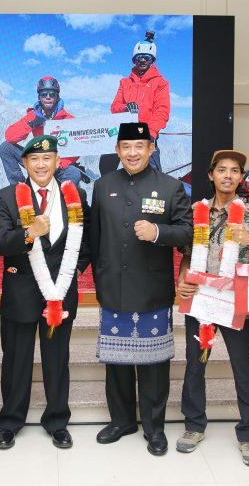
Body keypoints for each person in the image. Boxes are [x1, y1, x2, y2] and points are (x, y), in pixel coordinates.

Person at [91, 122, 192, 456]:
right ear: (117, 150)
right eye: (126, 147)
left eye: (139, 146)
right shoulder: (103, 186)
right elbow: (95, 236)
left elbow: (187, 232)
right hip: (113, 285)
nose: (132, 153)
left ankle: (154, 427)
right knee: (117, 362)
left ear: (151, 148)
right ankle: (121, 421)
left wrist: (158, 232)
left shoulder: (171, 187)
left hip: (152, 289)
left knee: (154, 365)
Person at [0, 135, 91, 450]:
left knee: (57, 361)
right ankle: (10, 423)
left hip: (60, 293)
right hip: (21, 293)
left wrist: (75, 269)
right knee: (16, 362)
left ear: (57, 162)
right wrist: (28, 233)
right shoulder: (8, 196)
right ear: (24, 163)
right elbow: (0, 243)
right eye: (34, 159)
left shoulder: (75, 195)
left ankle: (57, 422)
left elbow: (89, 238)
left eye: (47, 158)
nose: (41, 164)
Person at [175, 150, 249, 464]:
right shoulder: (196, 211)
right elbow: (187, 254)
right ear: (211, 175)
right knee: (195, 364)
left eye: (234, 171)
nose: (228, 176)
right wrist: (181, 280)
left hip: (235, 301)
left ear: (241, 177)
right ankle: (194, 426)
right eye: (222, 170)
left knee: (244, 367)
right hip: (201, 298)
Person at [101, 32, 170, 175]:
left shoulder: (161, 83)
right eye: (139, 57)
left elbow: (162, 111)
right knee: (105, 167)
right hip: (123, 133)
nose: (143, 60)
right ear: (134, 60)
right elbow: (114, 107)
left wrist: (151, 133)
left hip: (146, 134)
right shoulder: (125, 82)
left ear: (152, 60)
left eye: (147, 57)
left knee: (153, 175)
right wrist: (125, 108)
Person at [0, 76, 83, 187]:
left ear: (57, 96)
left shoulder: (68, 119)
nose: (48, 97)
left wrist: (59, 164)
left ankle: (60, 195)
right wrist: (30, 125)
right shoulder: (34, 115)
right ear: (39, 97)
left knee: (74, 173)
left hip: (59, 164)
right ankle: (19, 187)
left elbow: (78, 148)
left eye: (52, 94)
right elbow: (9, 136)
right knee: (5, 148)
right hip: (38, 160)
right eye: (44, 94)